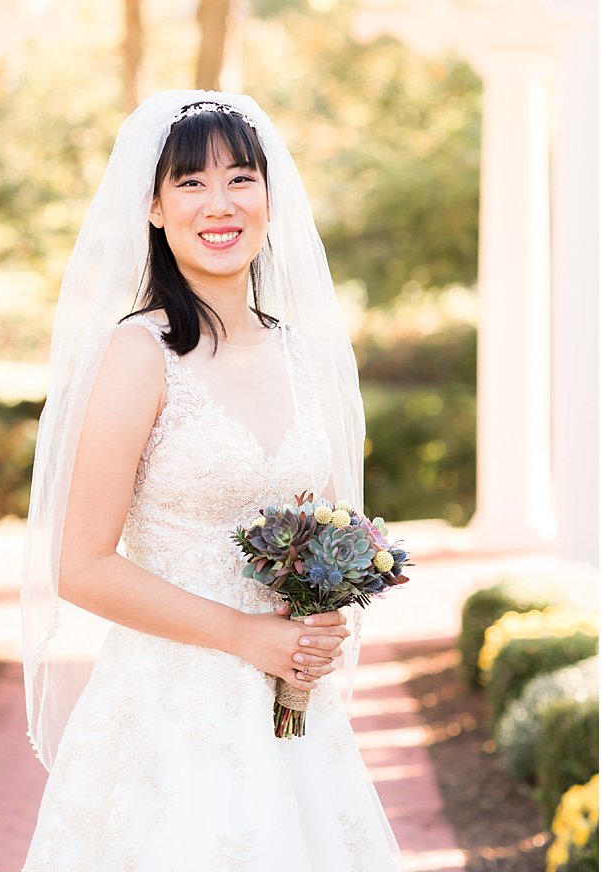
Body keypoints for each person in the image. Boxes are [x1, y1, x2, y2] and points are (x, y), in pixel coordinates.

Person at [20, 92, 401, 870]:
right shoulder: (140, 354)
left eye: (240, 178)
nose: (219, 204)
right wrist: (245, 635)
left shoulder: (306, 356)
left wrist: (320, 616)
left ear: (269, 195)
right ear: (154, 208)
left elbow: (322, 527)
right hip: (170, 713)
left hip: (291, 716)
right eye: (191, 183)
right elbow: (79, 565)